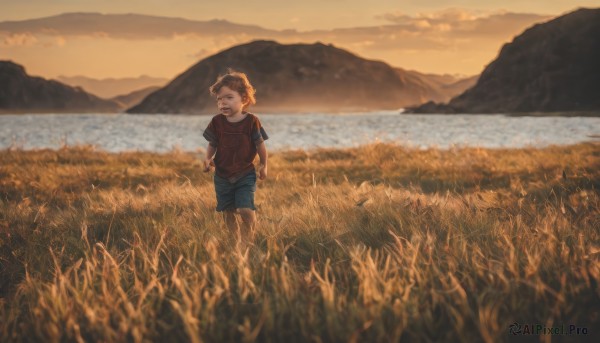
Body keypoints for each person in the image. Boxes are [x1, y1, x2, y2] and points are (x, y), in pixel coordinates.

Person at [202, 71, 268, 245]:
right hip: (222, 176)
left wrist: (264, 165)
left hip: (245, 174)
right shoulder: (216, 122)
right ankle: (235, 241)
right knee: (228, 212)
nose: (222, 102)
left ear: (244, 99)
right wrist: (208, 159)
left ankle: (250, 237)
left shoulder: (252, 121)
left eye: (229, 97)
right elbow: (212, 143)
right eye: (219, 99)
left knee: (245, 208)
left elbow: (260, 144)